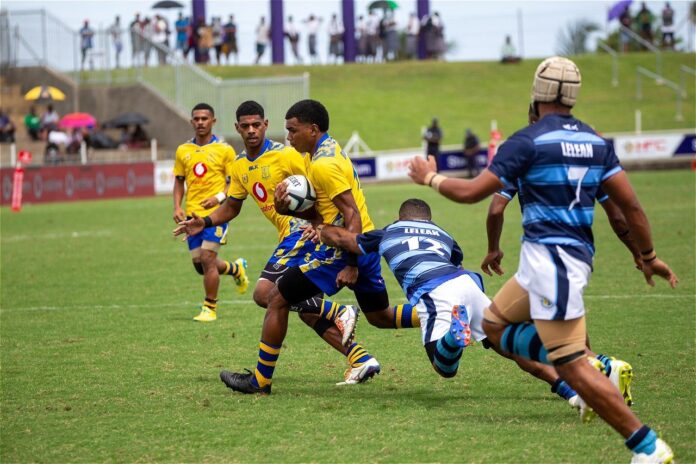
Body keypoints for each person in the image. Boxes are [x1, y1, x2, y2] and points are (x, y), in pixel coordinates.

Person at [408, 56, 678, 462]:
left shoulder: (526, 140)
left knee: (569, 366)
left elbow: (473, 193)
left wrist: (428, 176)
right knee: (495, 326)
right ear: (574, 95)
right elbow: (629, 209)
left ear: (536, 93)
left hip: (554, 262)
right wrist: (648, 255)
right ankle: (591, 364)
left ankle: (647, 446)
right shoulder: (595, 142)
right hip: (554, 260)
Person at [216, 100, 420, 394]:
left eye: (293, 130)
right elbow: (324, 213)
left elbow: (350, 214)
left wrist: (350, 263)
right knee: (381, 316)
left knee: (275, 298)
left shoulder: (322, 164)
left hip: (340, 251)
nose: (289, 137)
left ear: (312, 129)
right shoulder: (324, 151)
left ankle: (260, 381)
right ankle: (438, 311)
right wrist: (288, 211)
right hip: (362, 244)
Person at [174, 101, 377, 385]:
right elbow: (232, 206)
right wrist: (205, 221)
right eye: (245, 126)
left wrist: (316, 223)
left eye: (256, 124)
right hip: (288, 235)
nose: (251, 130)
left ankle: (336, 314)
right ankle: (360, 358)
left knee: (264, 293)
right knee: (301, 306)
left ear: (266, 125)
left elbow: (319, 186)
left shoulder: (287, 155)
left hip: (301, 231)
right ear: (237, 129)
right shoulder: (240, 165)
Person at [172, 102, 249, 322]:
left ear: (213, 121)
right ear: (191, 122)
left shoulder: (225, 150)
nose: (200, 122)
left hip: (217, 215)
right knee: (201, 265)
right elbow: (179, 182)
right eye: (196, 119)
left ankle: (210, 308)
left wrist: (219, 197)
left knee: (207, 258)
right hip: (192, 215)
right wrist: (177, 206)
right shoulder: (183, 150)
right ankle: (236, 269)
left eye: (204, 119)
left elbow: (234, 182)